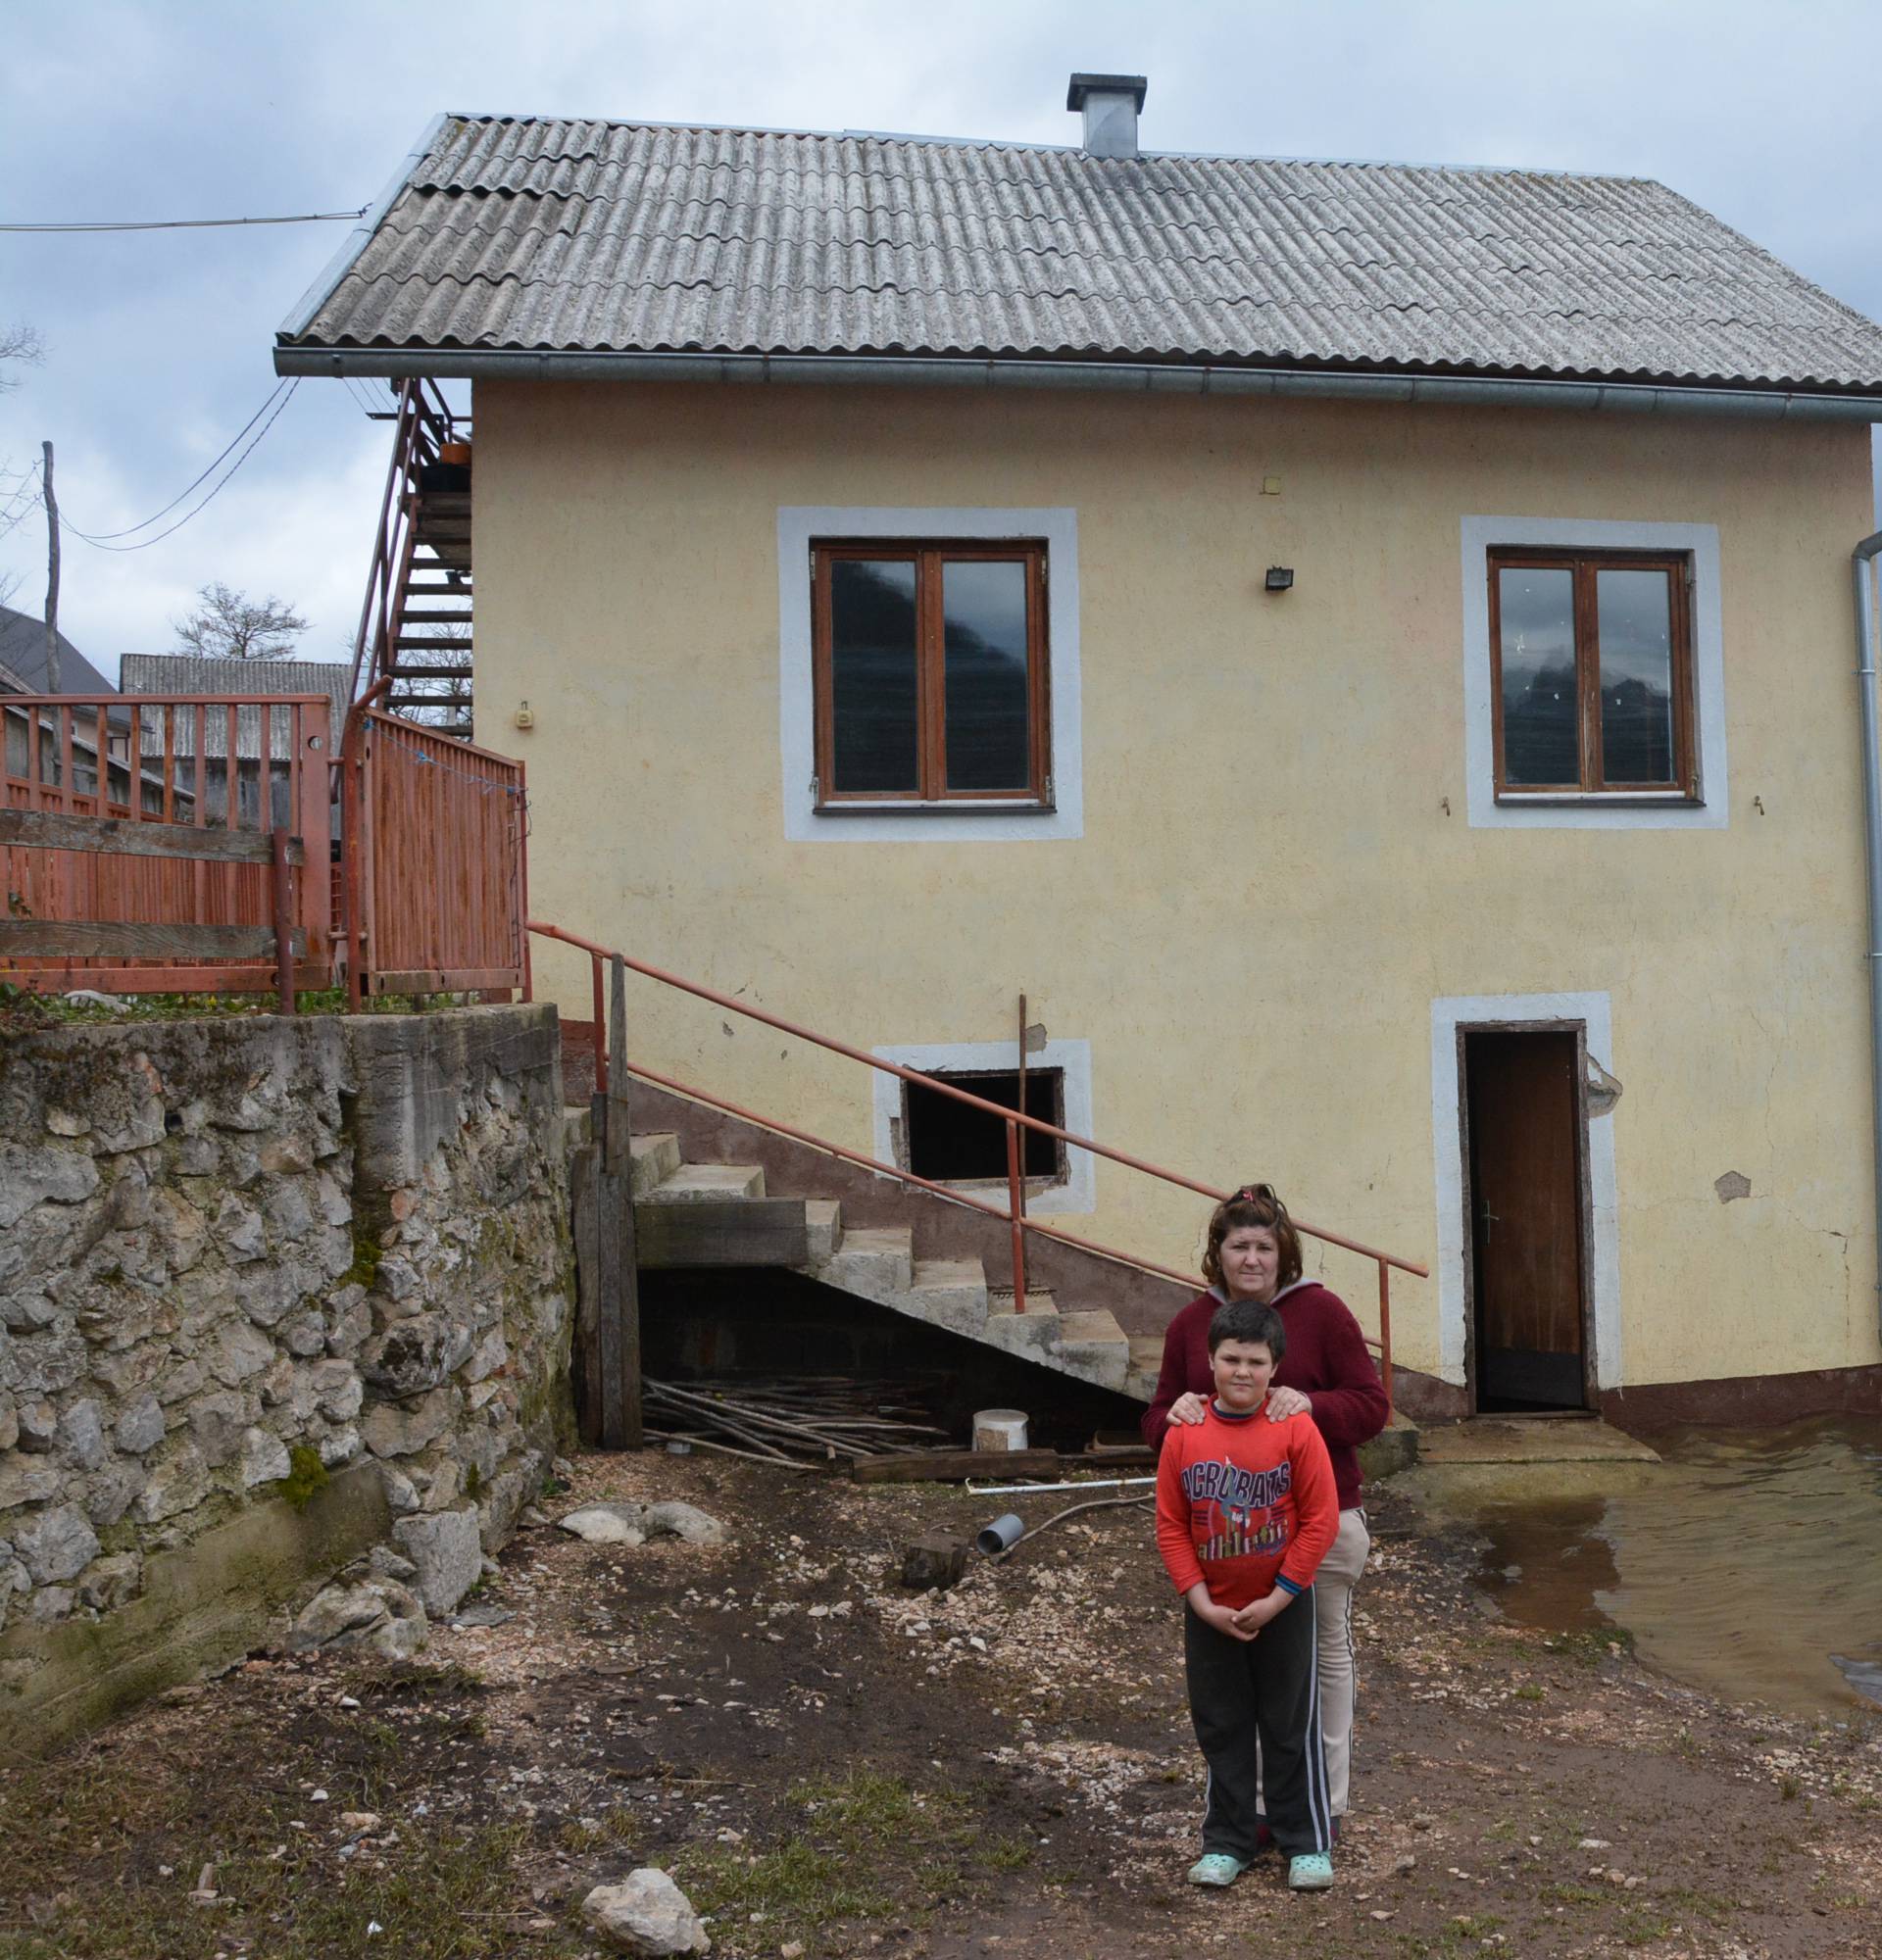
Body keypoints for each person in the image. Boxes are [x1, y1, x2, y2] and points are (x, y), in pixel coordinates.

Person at [1142, 1183, 1388, 1832]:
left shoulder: (1323, 1314)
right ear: (1217, 1254)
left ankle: (1324, 1803)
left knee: (1320, 1664)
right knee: (1237, 1677)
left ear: (1285, 1254)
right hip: (1224, 1535)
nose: (1251, 1258)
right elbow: (1153, 1421)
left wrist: (1313, 1405)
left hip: (1322, 1522)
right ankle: (1245, 1809)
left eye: (1263, 1246)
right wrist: (1176, 1415)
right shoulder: (1192, 1325)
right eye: (1238, 1245)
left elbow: (1371, 1407)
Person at [1155, 1297, 1339, 1891]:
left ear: (1274, 1367)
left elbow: (1320, 1520)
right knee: (1222, 1724)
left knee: (1288, 1724)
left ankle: (1304, 1842)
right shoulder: (1184, 1434)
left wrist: (1283, 1595)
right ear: (1209, 1361)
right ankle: (1228, 1841)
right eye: (1231, 1358)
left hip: (1283, 1605)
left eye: (1255, 1361)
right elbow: (1171, 1524)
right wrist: (1200, 1601)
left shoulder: (1295, 1428)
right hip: (1211, 1609)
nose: (1242, 1371)